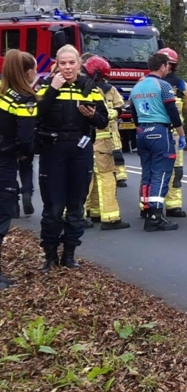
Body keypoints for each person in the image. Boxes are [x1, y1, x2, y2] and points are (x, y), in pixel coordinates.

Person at [36, 45, 108, 271]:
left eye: (71, 63)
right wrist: (52, 90)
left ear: (79, 64)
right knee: (53, 206)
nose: (67, 67)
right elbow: (35, 114)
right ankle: (49, 255)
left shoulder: (90, 88)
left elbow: (103, 120)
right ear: (56, 64)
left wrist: (93, 116)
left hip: (79, 150)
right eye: (62, 63)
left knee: (76, 205)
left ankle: (69, 254)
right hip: (53, 149)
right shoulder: (46, 85)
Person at [129, 53, 184, 232]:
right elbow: (172, 112)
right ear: (162, 66)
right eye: (167, 65)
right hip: (160, 132)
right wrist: (181, 134)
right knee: (161, 173)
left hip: (142, 132)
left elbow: (134, 115)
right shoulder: (164, 85)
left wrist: (141, 128)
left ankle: (146, 209)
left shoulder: (137, 87)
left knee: (147, 172)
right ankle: (155, 217)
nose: (168, 68)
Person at [0, 51, 37, 289]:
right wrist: (26, 152)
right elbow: (25, 136)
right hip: (5, 160)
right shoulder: (24, 98)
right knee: (3, 213)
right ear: (28, 72)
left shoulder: (2, 92)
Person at [82, 56, 130, 230]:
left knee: (88, 177)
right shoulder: (96, 90)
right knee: (107, 177)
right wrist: (111, 114)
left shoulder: (79, 85)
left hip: (84, 142)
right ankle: (110, 218)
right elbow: (110, 113)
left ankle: (91, 212)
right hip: (101, 141)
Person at [160, 48, 187, 218]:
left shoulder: (146, 82)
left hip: (154, 132)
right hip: (174, 133)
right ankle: (172, 206)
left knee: (153, 171)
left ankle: (149, 206)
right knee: (174, 170)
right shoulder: (180, 84)